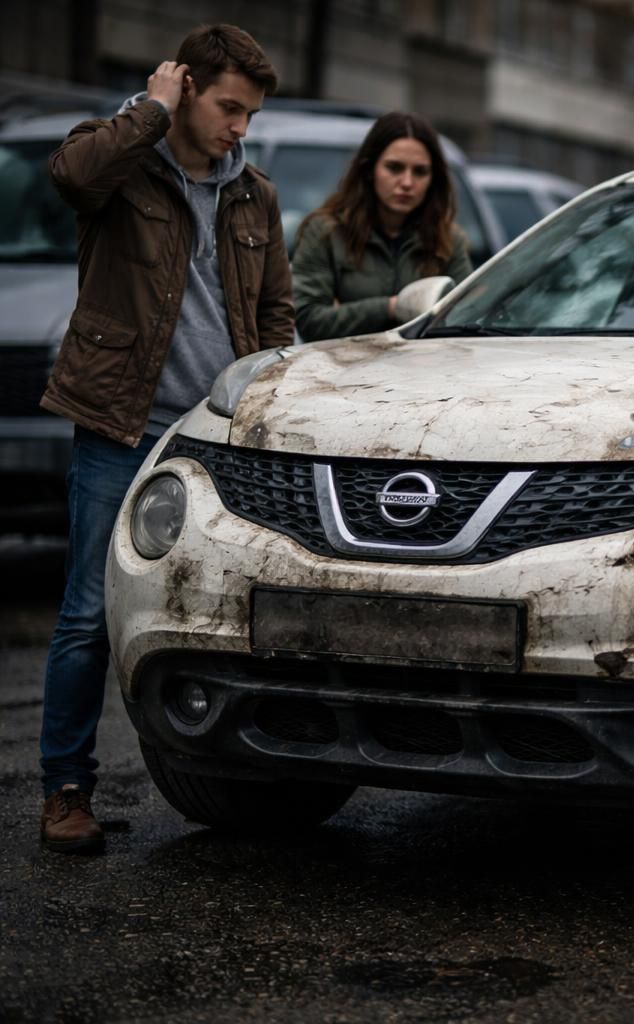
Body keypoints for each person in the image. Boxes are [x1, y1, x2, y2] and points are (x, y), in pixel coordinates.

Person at [38, 24, 293, 853]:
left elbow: (276, 313)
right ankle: (66, 789)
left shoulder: (254, 193)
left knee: (234, 612)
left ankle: (252, 774)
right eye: (228, 107)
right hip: (122, 424)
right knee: (86, 614)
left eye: (250, 114)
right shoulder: (121, 160)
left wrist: (267, 399)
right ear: (185, 90)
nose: (239, 128)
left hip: (217, 441)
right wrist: (149, 109)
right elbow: (70, 177)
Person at [290, 112, 472, 341]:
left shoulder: (446, 239)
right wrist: (390, 308)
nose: (407, 182)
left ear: (433, 179)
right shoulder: (326, 231)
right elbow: (309, 320)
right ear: (369, 169)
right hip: (345, 370)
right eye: (394, 168)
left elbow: (467, 319)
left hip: (423, 371)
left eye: (420, 171)